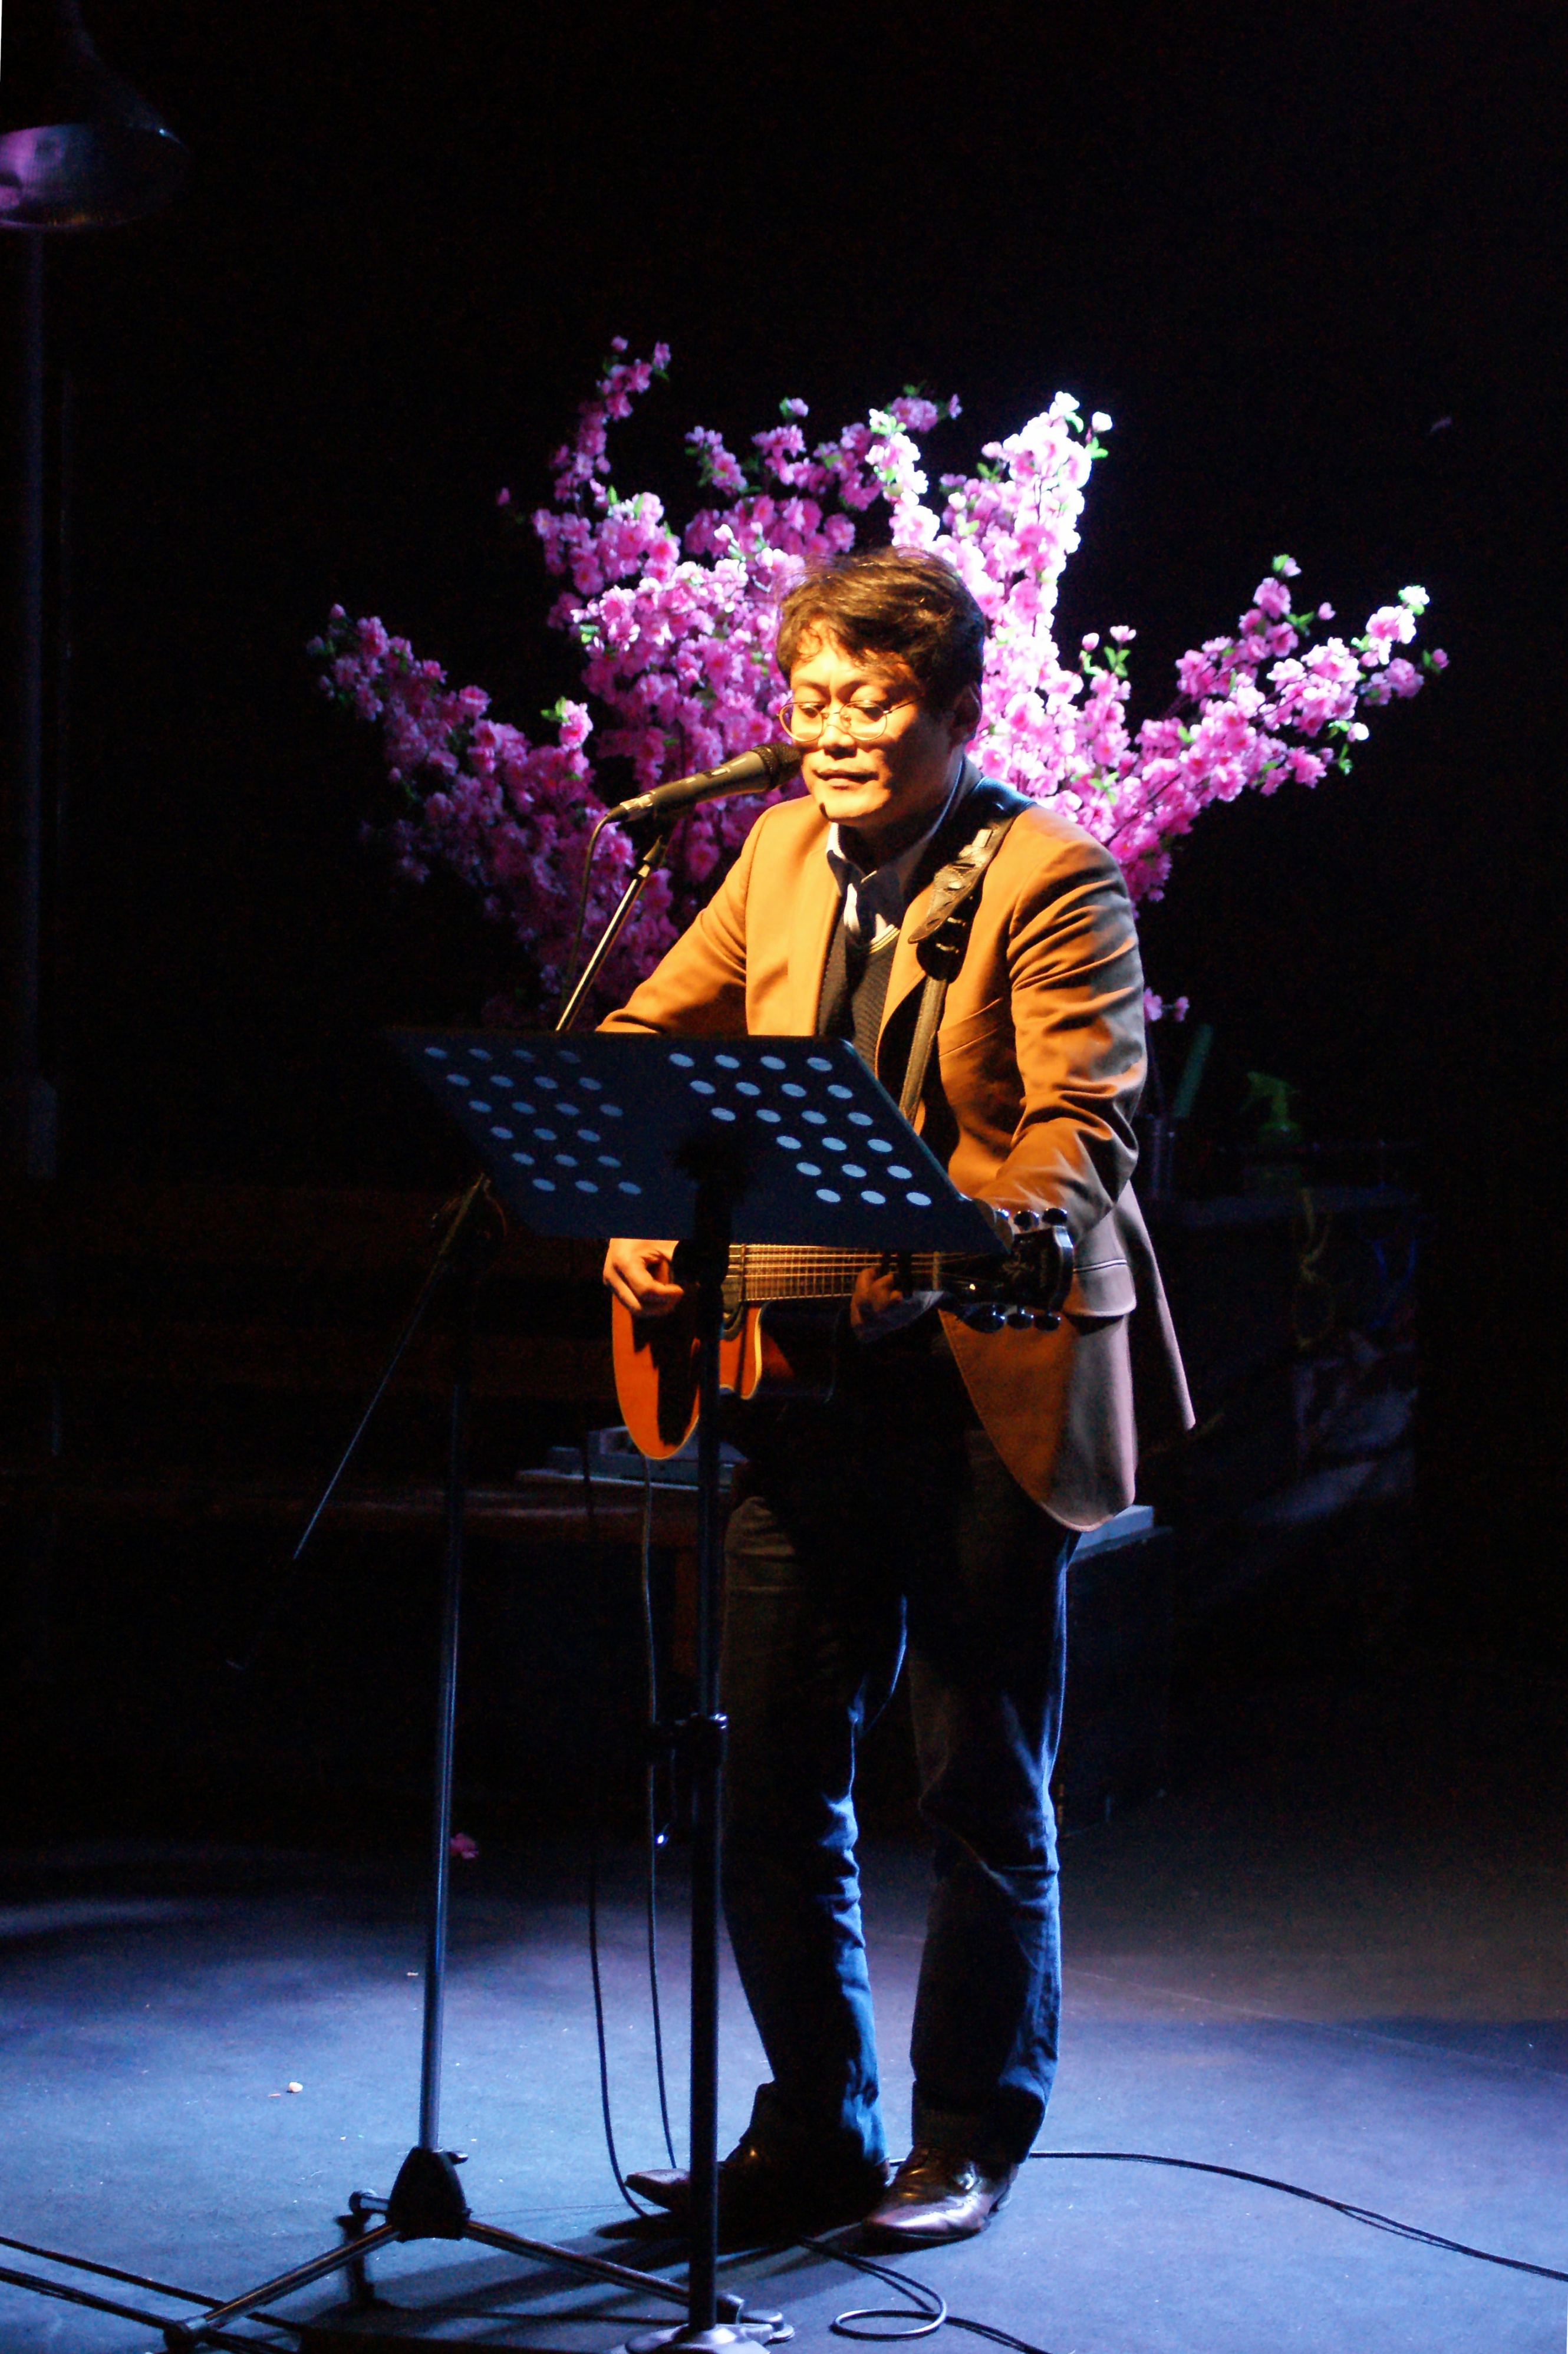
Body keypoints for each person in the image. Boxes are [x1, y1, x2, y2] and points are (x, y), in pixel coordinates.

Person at [601, 546, 1190, 2247]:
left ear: (954, 709)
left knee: (977, 1785)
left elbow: (1083, 1125)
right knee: (763, 1774)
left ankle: (964, 2140)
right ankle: (814, 2130)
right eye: (811, 700)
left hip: (985, 1375)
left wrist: (972, 1237)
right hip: (803, 1386)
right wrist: (641, 1203)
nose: (835, 730)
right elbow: (644, 1037)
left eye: (872, 700)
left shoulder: (1050, 875)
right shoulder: (779, 852)